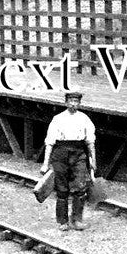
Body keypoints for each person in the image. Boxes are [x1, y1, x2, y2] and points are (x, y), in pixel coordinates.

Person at [40, 91, 97, 232]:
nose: (73, 104)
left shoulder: (84, 119)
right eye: (71, 101)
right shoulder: (58, 119)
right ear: (66, 102)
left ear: (79, 103)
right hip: (61, 153)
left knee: (80, 187)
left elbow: (90, 142)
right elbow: (50, 142)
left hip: (78, 153)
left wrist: (93, 161)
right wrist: (45, 163)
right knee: (62, 189)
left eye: (76, 101)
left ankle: (77, 220)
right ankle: (63, 221)